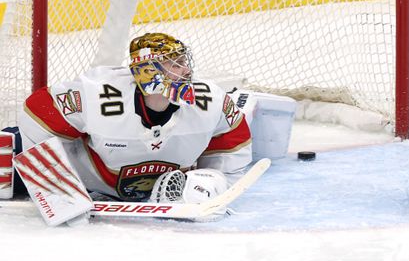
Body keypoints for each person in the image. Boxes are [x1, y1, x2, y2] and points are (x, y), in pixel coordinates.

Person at [16, 32, 252, 202]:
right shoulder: (98, 95)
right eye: (176, 64)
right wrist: (58, 186)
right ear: (149, 70)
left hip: (157, 185)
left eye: (184, 62)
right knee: (8, 170)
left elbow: (234, 140)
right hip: (90, 181)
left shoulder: (209, 99)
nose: (187, 71)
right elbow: (39, 110)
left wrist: (214, 181)